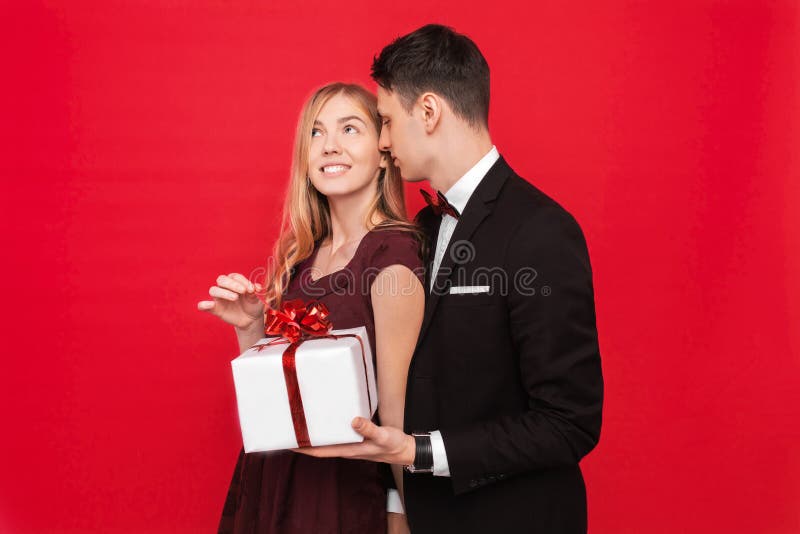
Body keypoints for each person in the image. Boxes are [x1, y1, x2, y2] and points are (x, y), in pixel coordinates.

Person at [294, 25, 604, 533]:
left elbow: (569, 423)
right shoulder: (422, 229)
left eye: (387, 122)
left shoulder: (541, 230)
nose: (385, 141)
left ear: (430, 112)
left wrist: (419, 451)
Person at [197, 82, 425, 533]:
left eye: (350, 129)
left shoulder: (394, 258)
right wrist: (249, 330)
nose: (329, 146)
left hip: (342, 497)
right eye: (316, 133)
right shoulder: (300, 257)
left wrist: (401, 515)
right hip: (274, 483)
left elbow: (399, 420)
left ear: (383, 152)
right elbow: (280, 397)